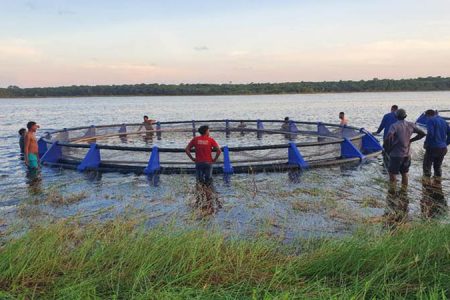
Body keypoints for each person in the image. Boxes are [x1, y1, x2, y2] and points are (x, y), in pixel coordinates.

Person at [384, 109, 425, 187]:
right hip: (407, 154)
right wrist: (411, 140)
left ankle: (392, 192)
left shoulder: (394, 126)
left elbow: (388, 137)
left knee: (392, 174)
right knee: (404, 173)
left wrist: (387, 148)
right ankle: (404, 192)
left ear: (396, 116)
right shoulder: (411, 125)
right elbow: (422, 133)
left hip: (396, 154)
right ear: (405, 116)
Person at [422, 109, 450, 178]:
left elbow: (430, 133)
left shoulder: (430, 120)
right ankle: (438, 184)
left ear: (428, 115)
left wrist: (426, 143)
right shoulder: (443, 121)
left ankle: (427, 186)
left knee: (427, 168)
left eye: (426, 117)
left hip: (433, 148)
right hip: (443, 148)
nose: (426, 119)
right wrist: (446, 143)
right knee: (438, 168)